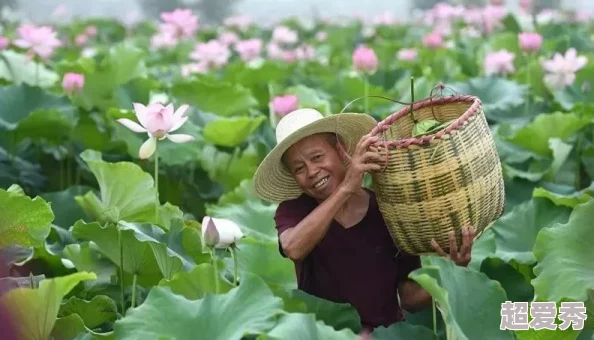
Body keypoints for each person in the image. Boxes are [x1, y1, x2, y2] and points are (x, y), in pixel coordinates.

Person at [252, 108, 475, 331]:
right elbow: (293, 247)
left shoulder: (387, 209)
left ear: (339, 150)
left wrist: (452, 270)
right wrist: (347, 188)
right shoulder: (294, 209)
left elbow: (409, 298)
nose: (311, 171)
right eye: (299, 168)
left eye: (317, 157)